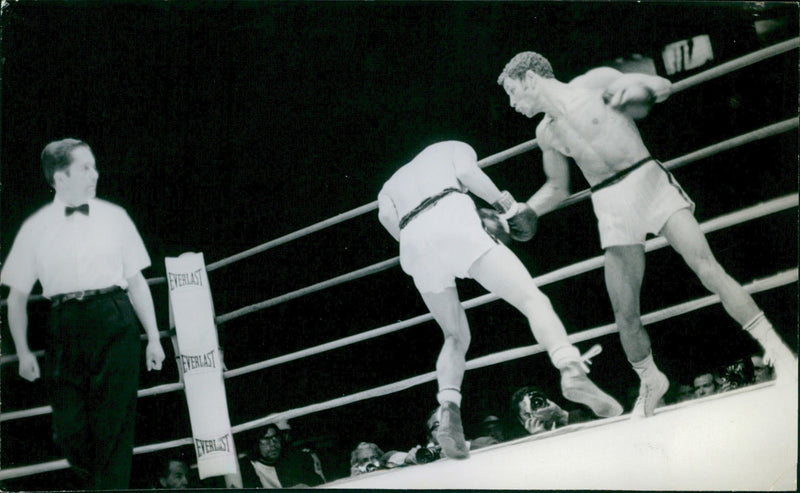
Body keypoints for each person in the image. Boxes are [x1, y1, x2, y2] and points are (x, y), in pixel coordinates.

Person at [496, 51, 798, 418]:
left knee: (708, 269)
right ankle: (651, 379)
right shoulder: (545, 132)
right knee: (624, 313)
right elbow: (557, 188)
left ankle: (778, 351)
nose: (512, 104)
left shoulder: (593, 83)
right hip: (609, 201)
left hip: (647, 179)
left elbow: (663, 85)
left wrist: (636, 86)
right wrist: (525, 210)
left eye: (513, 92)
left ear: (530, 78)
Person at [377, 140, 622, 460]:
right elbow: (467, 171)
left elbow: (386, 219)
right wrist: (507, 206)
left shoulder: (390, 184)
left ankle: (449, 411)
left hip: (411, 240)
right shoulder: (452, 146)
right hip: (450, 215)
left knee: (453, 335)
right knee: (531, 299)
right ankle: (569, 368)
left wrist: (421, 242)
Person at [1, 138, 166, 489]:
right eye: (85, 168)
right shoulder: (36, 227)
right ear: (60, 178)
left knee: (115, 425)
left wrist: (154, 338)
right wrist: (24, 352)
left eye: (94, 165)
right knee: (69, 429)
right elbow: (16, 299)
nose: (96, 174)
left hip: (114, 316)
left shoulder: (115, 217)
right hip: (64, 324)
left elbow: (136, 282)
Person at [240, 424, 326, 488]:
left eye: (275, 437)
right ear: (255, 443)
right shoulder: (247, 467)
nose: (273, 444)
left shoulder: (296, 458)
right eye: (266, 439)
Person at [507, 386, 594, 439]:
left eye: (537, 405)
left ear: (547, 402)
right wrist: (540, 437)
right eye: (527, 414)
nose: (534, 414)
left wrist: (562, 416)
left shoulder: (583, 415)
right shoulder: (519, 444)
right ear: (521, 421)